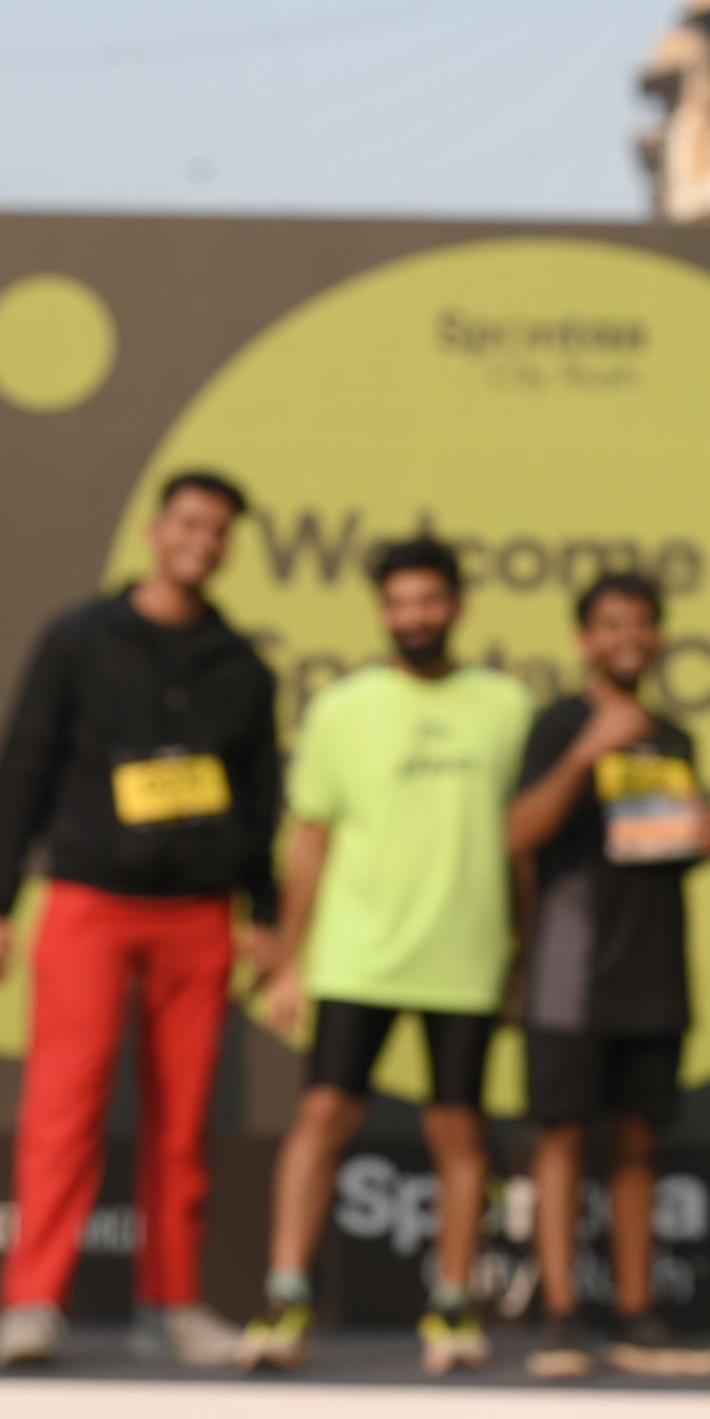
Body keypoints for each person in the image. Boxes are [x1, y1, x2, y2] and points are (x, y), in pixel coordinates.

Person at [0, 470, 281, 1370]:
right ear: (155, 529)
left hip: (199, 914)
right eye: (189, 523)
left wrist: (263, 913)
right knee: (63, 1110)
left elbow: (260, 796)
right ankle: (32, 1303)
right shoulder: (80, 638)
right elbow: (24, 764)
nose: (202, 541)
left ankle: (173, 1303)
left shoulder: (242, 664)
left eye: (218, 531)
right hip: (90, 901)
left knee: (182, 1125)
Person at [239, 537, 531, 1376]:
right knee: (324, 1114)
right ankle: (285, 1294)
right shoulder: (342, 708)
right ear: (382, 612)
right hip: (357, 952)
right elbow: (311, 839)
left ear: (458, 605)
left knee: (459, 1128)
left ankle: (452, 1303)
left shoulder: (508, 706)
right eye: (399, 604)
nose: (414, 617)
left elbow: (523, 844)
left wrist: (522, 952)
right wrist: (288, 958)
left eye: (429, 601)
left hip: (466, 953)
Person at [508, 571, 710, 1379]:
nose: (627, 636)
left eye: (640, 622)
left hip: (653, 967)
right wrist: (585, 754)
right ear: (584, 639)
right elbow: (519, 832)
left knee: (640, 1138)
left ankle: (638, 1314)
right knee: (563, 1133)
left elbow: (663, 841)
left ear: (659, 635)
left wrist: (704, 833)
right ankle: (562, 1316)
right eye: (610, 623)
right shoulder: (558, 724)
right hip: (571, 971)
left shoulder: (674, 737)